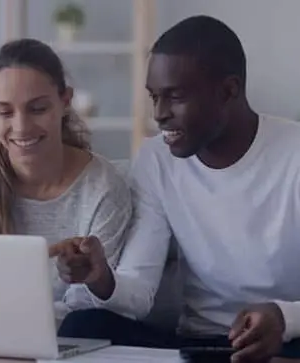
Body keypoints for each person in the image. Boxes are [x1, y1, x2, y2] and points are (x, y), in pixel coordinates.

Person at [52, 16, 300, 363]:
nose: (159, 114)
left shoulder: (293, 154)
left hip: (285, 341)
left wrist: (284, 318)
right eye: (154, 97)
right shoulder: (157, 160)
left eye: (175, 97)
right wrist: (103, 280)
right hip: (201, 344)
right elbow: (139, 289)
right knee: (82, 326)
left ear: (229, 90)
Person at [0, 38, 132, 320]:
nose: (21, 127)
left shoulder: (104, 188)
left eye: (38, 109)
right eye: (5, 112)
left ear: (65, 102)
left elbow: (88, 311)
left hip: (76, 339)